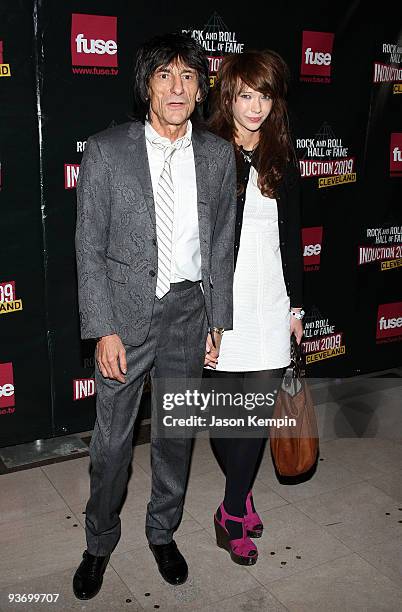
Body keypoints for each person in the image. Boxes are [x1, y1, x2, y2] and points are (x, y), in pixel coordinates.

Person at [73, 32, 236, 599]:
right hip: (124, 315)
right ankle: (99, 540)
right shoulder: (105, 151)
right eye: (164, 76)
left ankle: (162, 531)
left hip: (189, 314)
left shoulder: (218, 157)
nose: (177, 87)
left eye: (188, 77)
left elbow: (221, 245)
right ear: (146, 86)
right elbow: (89, 246)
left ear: (199, 90)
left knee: (175, 437)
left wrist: (218, 320)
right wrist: (102, 328)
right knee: (112, 444)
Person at [204, 49, 304, 566]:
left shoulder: (282, 155)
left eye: (264, 95)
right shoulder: (209, 151)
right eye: (246, 94)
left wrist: (297, 309)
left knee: (256, 414)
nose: (255, 106)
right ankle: (242, 491)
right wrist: (203, 313)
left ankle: (231, 510)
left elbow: (294, 243)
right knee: (226, 420)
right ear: (229, 96)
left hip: (271, 301)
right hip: (224, 300)